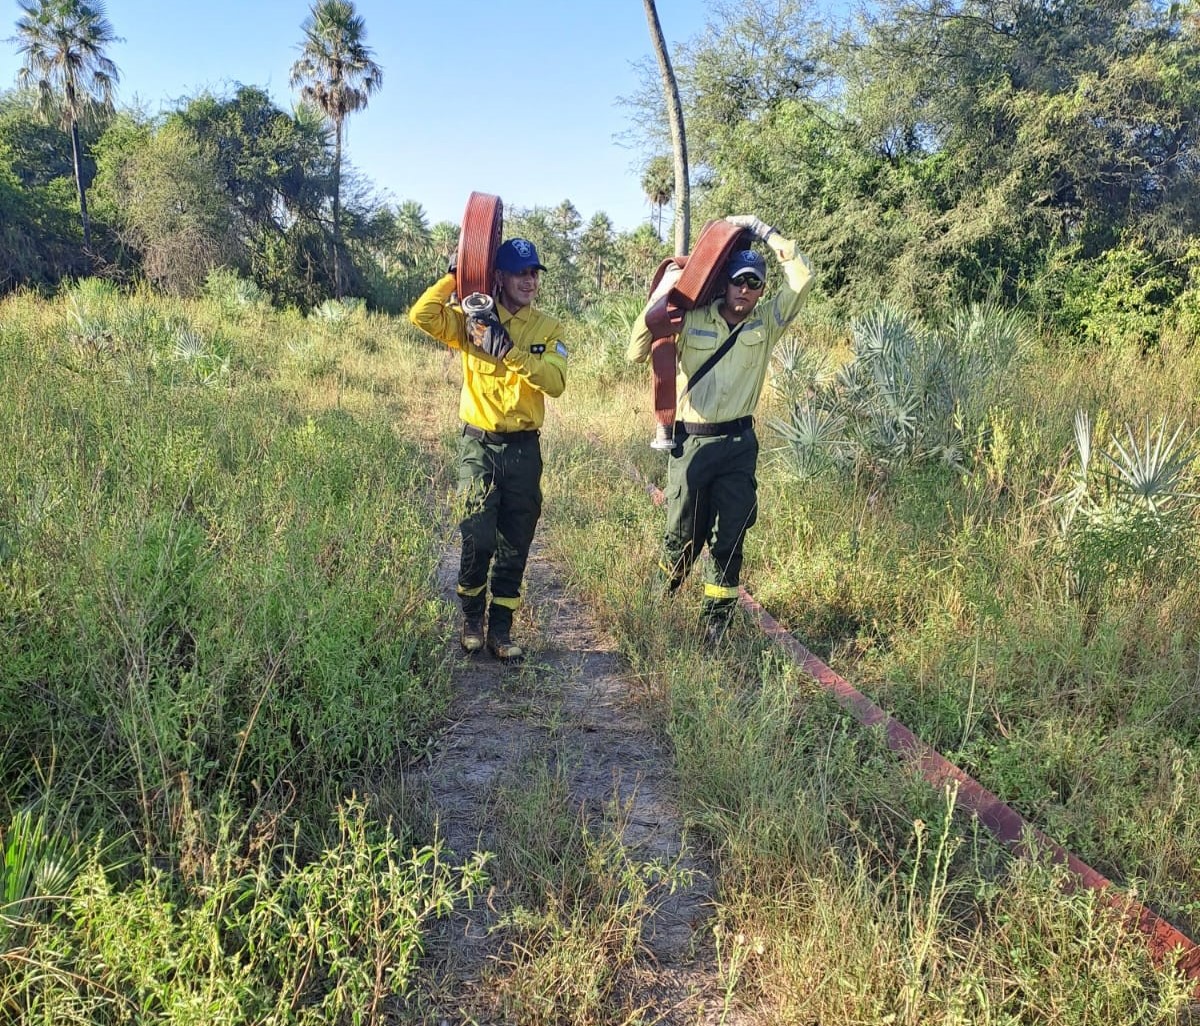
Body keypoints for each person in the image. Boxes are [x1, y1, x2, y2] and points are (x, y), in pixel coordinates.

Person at [627, 215, 815, 644]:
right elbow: (637, 350)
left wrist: (767, 234)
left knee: (730, 535)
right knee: (683, 536)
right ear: (724, 283)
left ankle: (716, 624)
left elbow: (802, 281)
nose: (744, 291)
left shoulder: (764, 324)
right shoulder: (691, 318)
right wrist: (662, 293)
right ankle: (657, 606)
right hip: (692, 442)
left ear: (761, 290)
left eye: (753, 284)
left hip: (737, 445)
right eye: (737, 282)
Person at [409, 238, 568, 660]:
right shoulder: (472, 320)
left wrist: (509, 352)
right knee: (477, 536)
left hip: (522, 451)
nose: (529, 280)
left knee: (517, 540)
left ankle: (501, 630)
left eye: (534, 272)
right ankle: (471, 617)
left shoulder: (548, 327)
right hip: (479, 445)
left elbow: (555, 383)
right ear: (499, 276)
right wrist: (453, 276)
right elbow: (421, 315)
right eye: (520, 272)